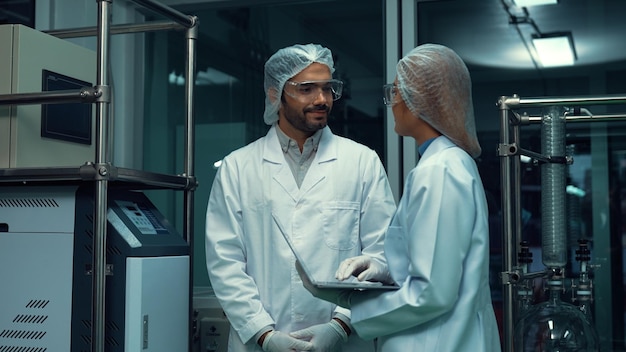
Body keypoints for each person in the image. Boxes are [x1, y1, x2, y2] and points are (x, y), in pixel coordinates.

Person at [297, 43, 502, 351]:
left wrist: (353, 304)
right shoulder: (445, 165)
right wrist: (384, 269)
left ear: (419, 101)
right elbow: (436, 264)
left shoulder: (440, 171)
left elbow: (432, 293)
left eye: (395, 91)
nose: (391, 103)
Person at [204, 43, 397, 352]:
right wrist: (264, 335)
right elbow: (225, 262)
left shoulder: (362, 162)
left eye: (328, 88)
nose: (321, 99)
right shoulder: (238, 167)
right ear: (274, 94)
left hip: (343, 340)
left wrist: (339, 327)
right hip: (259, 341)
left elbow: (382, 254)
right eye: (306, 89)